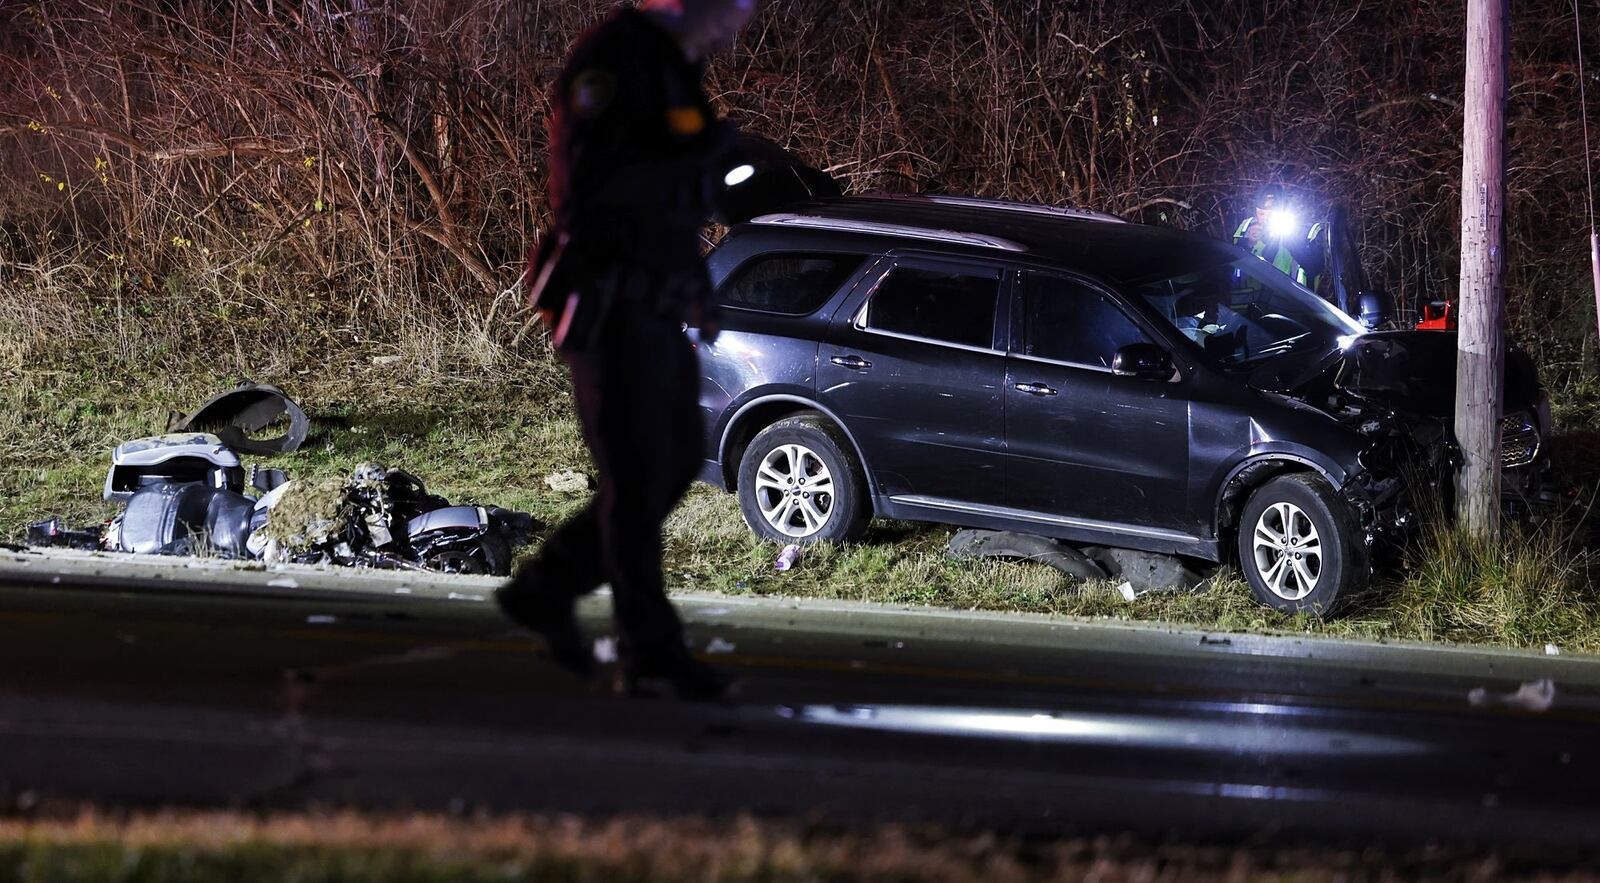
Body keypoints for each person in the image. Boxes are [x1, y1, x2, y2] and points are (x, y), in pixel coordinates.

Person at [496, 0, 756, 699]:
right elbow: (596, 190)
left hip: (658, 295)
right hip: (608, 297)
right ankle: (650, 647)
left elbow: (678, 193)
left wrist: (696, 279)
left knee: (669, 462)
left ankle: (546, 589)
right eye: (733, 7)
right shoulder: (614, 59)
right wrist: (691, 165)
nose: (739, 23)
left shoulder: (674, 66)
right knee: (639, 473)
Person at [1232, 185, 1326, 290]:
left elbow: (1314, 267)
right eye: (1261, 213)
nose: (1265, 219)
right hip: (1246, 302)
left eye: (1271, 214)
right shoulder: (1246, 228)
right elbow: (1229, 265)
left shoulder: (1303, 233)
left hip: (1294, 302)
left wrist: (1292, 242)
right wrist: (1246, 244)